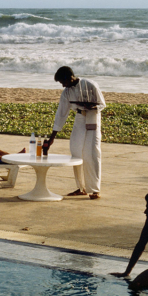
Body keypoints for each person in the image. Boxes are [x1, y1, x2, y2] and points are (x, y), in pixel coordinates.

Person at [43, 66, 106, 199]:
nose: (62, 85)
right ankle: (81, 187)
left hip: (93, 116)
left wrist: (93, 107)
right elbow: (61, 114)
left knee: (92, 152)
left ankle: (95, 189)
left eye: (63, 82)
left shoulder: (90, 84)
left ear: (69, 77)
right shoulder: (66, 92)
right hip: (79, 117)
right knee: (76, 150)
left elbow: (102, 104)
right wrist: (52, 138)